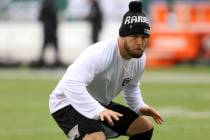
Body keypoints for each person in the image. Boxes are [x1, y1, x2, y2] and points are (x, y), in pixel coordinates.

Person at [49, 1, 163, 140]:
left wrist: (139, 105)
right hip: (67, 102)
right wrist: (98, 110)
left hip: (98, 103)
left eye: (144, 37)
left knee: (144, 129)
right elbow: (70, 84)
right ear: (122, 35)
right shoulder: (100, 54)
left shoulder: (139, 59)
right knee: (97, 138)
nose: (140, 42)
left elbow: (131, 87)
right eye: (134, 36)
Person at [38, 0, 61, 66]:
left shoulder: (44, 5)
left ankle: (41, 61)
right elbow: (56, 19)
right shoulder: (53, 5)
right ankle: (56, 61)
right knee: (55, 46)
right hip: (52, 29)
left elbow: (40, 18)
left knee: (45, 45)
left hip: (47, 29)